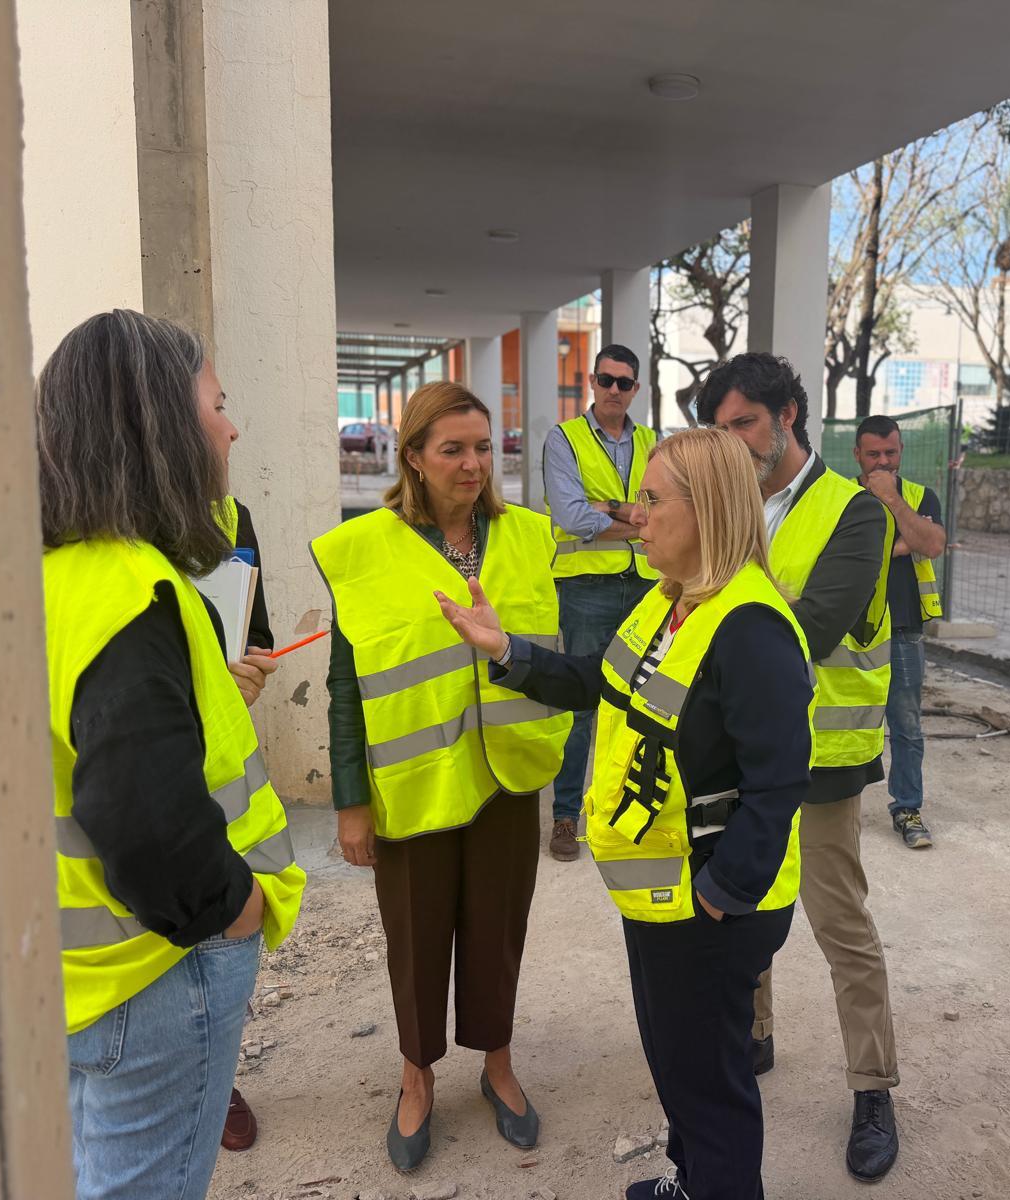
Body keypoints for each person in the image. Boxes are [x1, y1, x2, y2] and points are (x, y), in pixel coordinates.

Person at [438, 427, 814, 1200]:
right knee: (678, 1062)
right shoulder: (667, 602)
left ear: (707, 510)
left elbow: (779, 786)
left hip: (708, 905)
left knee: (711, 1086)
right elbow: (593, 680)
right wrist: (506, 648)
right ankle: (692, 1180)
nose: (634, 514)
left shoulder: (751, 627)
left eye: (651, 499)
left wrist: (720, 895)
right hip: (661, 895)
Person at [37, 309, 306, 1200]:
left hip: (67, 966)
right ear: (157, 425)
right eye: (217, 404)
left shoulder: (37, 574)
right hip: (152, 969)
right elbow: (145, 821)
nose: (230, 426)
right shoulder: (128, 588)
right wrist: (233, 909)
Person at [310, 381, 571, 1173]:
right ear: (413, 458)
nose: (472, 463)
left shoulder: (529, 536)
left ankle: (496, 1063)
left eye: (483, 447)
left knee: (498, 930)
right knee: (416, 936)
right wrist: (351, 803)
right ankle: (415, 1076)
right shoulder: (361, 552)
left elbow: (555, 658)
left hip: (506, 777)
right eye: (452, 449)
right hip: (414, 784)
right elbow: (346, 690)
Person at [698, 353, 902, 1183]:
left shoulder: (854, 514)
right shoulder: (728, 500)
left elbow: (811, 628)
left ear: (787, 414)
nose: (734, 442)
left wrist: (718, 640)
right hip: (737, 747)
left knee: (838, 923)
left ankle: (874, 1086)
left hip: (821, 753)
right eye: (721, 429)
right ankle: (755, 1035)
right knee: (745, 903)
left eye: (744, 423)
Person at [542, 343, 659, 861]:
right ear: (592, 382)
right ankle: (566, 816)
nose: (615, 390)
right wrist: (632, 515)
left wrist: (606, 508)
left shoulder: (655, 443)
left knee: (643, 703)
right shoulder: (563, 440)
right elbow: (570, 516)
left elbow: (670, 509)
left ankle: (623, 810)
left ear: (636, 389)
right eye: (607, 380)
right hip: (586, 589)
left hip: (648, 586)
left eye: (625, 383)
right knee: (582, 703)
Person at [213, 494, 282, 1154]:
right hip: (121, 740)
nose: (229, 429)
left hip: (214, 754)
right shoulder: (93, 507)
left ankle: (215, 1074)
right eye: (217, 407)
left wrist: (252, 669)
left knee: (218, 918)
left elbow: (255, 631)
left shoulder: (231, 516)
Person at [853, 415, 946, 849]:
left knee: (906, 726)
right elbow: (847, 554)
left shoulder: (920, 495)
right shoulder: (843, 498)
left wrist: (892, 501)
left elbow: (932, 543)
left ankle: (907, 807)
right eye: (874, 454)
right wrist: (903, 541)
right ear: (858, 455)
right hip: (853, 632)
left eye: (890, 452)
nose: (883, 460)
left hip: (905, 629)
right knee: (845, 721)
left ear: (901, 451)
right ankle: (837, 806)